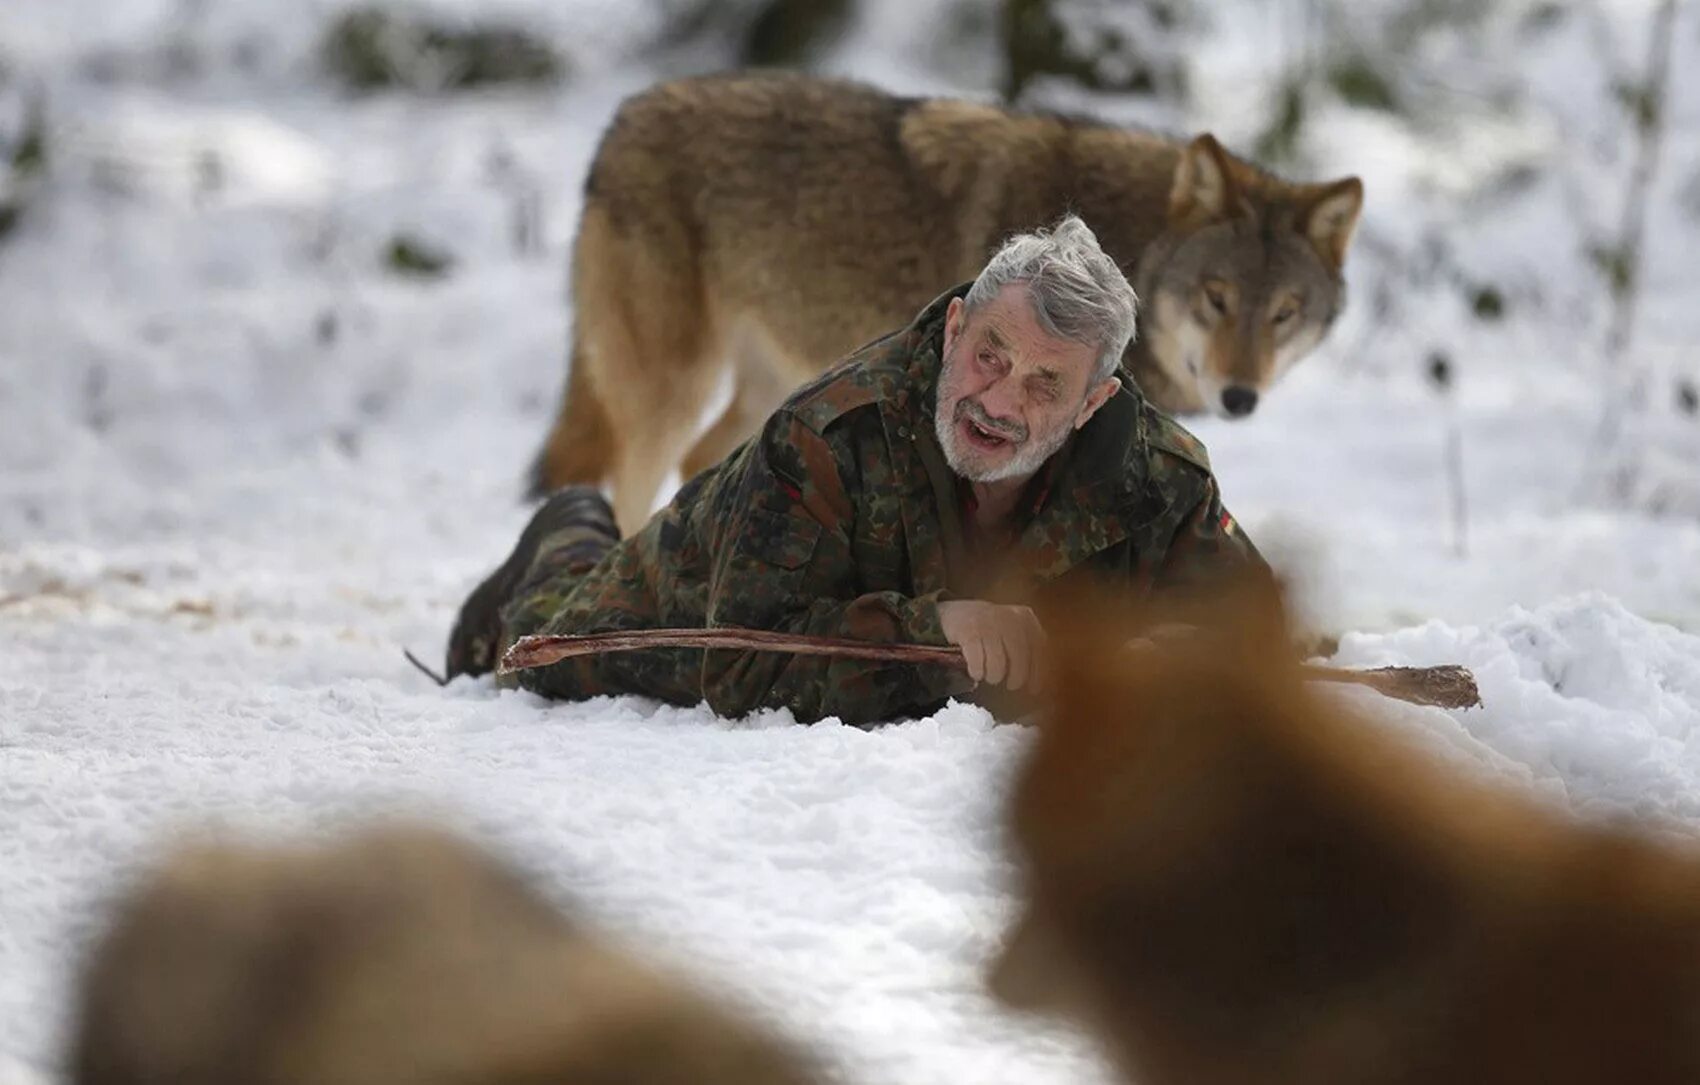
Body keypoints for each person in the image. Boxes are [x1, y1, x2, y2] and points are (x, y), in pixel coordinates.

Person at [445, 215, 1263, 726]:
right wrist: (938, 631)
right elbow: (740, 665)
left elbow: (1256, 621)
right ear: (952, 330)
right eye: (989, 355)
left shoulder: (1161, 479)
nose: (998, 401)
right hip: (676, 590)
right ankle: (569, 528)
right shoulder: (831, 433)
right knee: (545, 642)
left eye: (1045, 384)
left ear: (1092, 403)